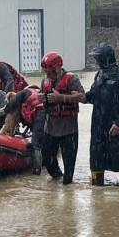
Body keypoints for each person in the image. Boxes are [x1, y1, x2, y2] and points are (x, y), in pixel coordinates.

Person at [83, 42, 119, 186]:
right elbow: (93, 95)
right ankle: (97, 186)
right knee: (97, 157)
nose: (96, 62)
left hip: (117, 126)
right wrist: (82, 97)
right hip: (99, 124)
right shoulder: (99, 75)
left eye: (98, 59)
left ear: (105, 58)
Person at [37, 51, 84, 185]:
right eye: (45, 72)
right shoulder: (45, 81)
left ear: (58, 69)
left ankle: (68, 187)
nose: (47, 75)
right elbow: (42, 97)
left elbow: (82, 96)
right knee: (47, 158)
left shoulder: (71, 79)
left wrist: (61, 98)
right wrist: (40, 97)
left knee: (69, 166)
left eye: (50, 72)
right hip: (51, 127)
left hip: (69, 128)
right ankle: (57, 178)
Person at [0, 85, 47, 173]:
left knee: (35, 143)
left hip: (40, 114)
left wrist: (0, 113)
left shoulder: (23, 93)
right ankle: (45, 163)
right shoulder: (39, 93)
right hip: (48, 116)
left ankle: (37, 171)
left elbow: (11, 104)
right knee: (42, 138)